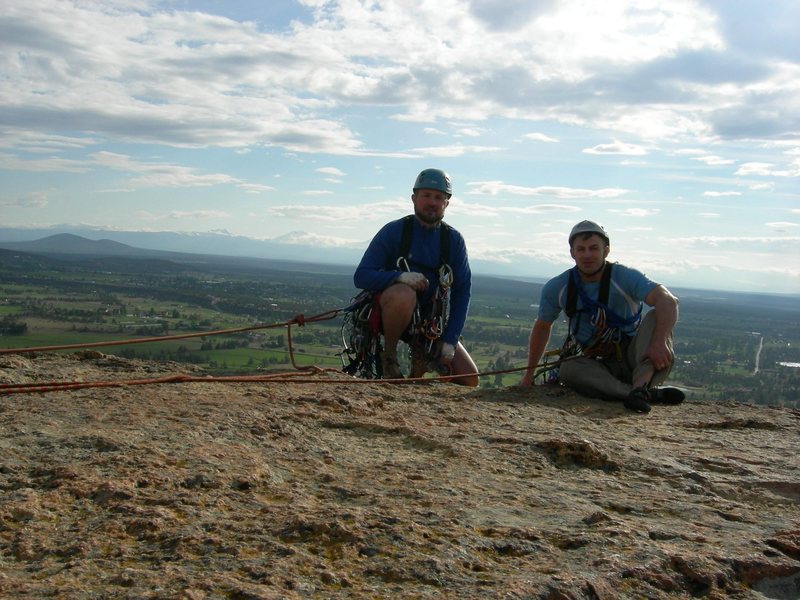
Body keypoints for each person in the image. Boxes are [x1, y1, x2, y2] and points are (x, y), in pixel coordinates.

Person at [520, 220, 684, 413]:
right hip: (596, 365)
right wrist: (529, 375)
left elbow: (667, 301)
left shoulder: (625, 277)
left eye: (593, 248)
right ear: (572, 253)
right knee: (569, 369)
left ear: (606, 250)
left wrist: (659, 343)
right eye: (581, 249)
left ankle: (640, 387)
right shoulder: (558, 287)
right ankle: (637, 393)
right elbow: (542, 326)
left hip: (637, 357)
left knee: (657, 316)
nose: (587, 255)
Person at [353, 168, 479, 387]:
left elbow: (462, 292)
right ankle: (389, 360)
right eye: (426, 196)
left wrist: (450, 339)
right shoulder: (394, 231)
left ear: (446, 204)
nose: (432, 202)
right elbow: (362, 276)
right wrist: (399, 277)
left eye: (439, 197)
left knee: (469, 378)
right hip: (389, 313)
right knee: (404, 293)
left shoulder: (453, 241)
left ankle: (422, 365)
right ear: (414, 198)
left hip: (428, 323)